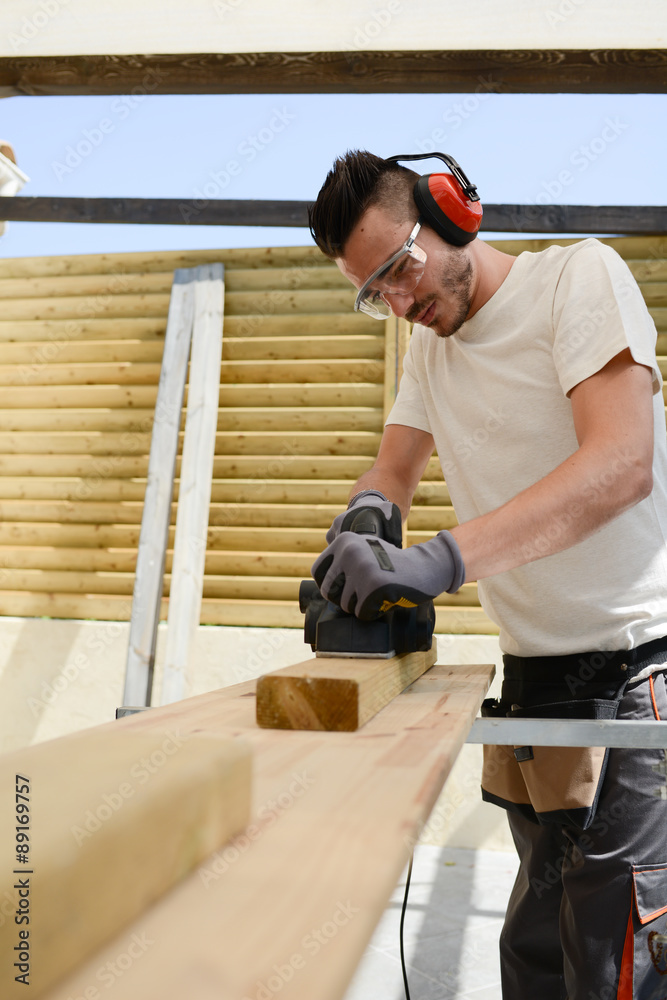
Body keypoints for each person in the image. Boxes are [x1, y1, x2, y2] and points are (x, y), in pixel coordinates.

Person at [307, 149, 667, 1000]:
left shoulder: (578, 280)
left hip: (637, 668)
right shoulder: (429, 351)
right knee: (537, 959)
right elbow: (391, 472)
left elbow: (621, 464)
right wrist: (358, 532)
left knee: (618, 966)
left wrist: (438, 561)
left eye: (399, 269)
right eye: (375, 294)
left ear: (453, 212)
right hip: (536, 684)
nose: (400, 303)